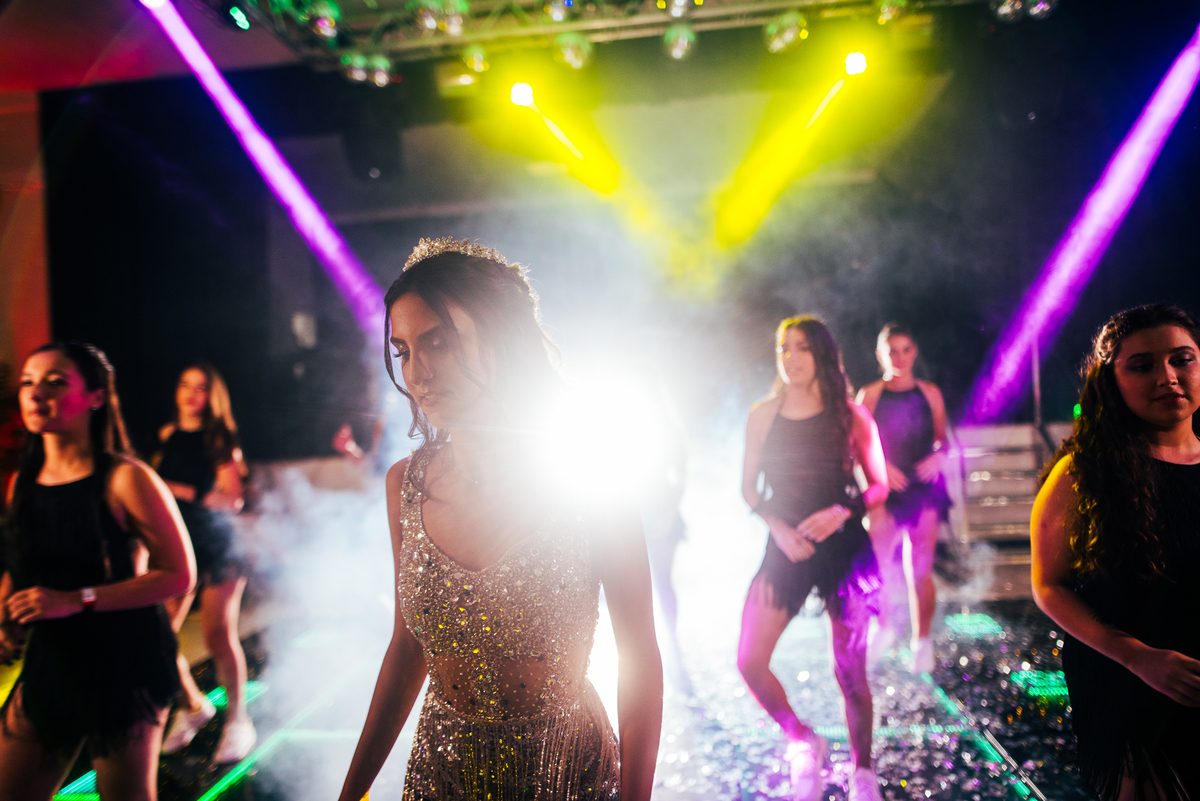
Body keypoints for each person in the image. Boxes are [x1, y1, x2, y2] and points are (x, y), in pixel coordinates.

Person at [337, 238, 663, 801]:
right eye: (403, 351)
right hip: (442, 777)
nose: (418, 372)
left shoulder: (591, 478)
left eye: (439, 342)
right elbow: (407, 648)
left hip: (566, 774)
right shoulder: (405, 486)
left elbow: (640, 663)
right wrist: (352, 792)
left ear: (501, 338)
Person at [0, 341, 195, 801]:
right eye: (28, 383)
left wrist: (76, 600)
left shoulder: (126, 477)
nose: (36, 394)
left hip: (124, 664)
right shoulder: (22, 482)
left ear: (96, 397)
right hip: (53, 659)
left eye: (55, 382)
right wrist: (5, 612)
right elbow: (20, 563)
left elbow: (178, 574)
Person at [1032, 304, 1200, 801]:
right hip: (1130, 683)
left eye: (1182, 359)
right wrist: (1138, 658)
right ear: (1111, 382)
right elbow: (1048, 585)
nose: (1167, 377)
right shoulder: (1082, 472)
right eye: (1143, 366)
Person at [737, 316, 889, 801]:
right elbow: (748, 489)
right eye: (784, 348)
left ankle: (863, 771)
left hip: (845, 552)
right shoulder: (763, 415)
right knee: (749, 661)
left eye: (801, 347)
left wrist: (843, 511)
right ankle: (803, 739)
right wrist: (778, 528)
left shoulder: (851, 415)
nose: (790, 357)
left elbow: (880, 485)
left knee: (849, 672)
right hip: (787, 547)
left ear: (821, 354)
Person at [154, 364, 254, 763]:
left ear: (212, 396)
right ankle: (194, 705)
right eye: (185, 385)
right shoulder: (167, 435)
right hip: (178, 547)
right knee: (157, 635)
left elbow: (233, 499)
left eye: (200, 387)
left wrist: (181, 490)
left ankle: (239, 721)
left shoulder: (219, 441)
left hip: (216, 545)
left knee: (217, 635)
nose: (191, 394)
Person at [856, 323, 951, 673]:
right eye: (892, 351)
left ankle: (921, 641)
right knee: (877, 567)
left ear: (915, 352)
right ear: (880, 355)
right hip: (885, 491)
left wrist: (938, 456)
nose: (899, 357)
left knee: (920, 568)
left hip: (923, 489)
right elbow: (854, 446)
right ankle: (883, 628)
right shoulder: (869, 395)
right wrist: (881, 469)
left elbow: (942, 440)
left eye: (905, 349)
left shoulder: (930, 393)